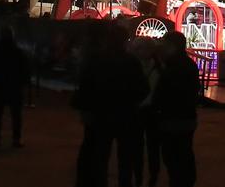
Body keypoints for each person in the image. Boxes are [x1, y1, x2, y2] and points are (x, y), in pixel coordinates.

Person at [73, 24, 149, 187]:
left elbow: (85, 87)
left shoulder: (96, 60)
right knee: (125, 158)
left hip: (101, 115)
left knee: (100, 155)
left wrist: (87, 109)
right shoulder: (131, 62)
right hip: (126, 115)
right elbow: (143, 88)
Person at [154, 32, 200, 187]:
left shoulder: (172, 66)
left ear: (172, 47)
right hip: (187, 116)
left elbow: (164, 92)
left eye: (165, 45)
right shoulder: (189, 64)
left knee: (173, 155)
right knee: (184, 152)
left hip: (173, 117)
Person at [0, 26, 30, 148]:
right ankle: (16, 138)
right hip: (15, 87)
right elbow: (25, 69)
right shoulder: (18, 52)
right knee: (16, 114)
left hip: (0, 85)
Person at [127, 37, 163, 187]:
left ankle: (146, 176)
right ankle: (145, 176)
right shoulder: (159, 67)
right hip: (148, 111)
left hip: (142, 111)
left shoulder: (132, 67)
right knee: (145, 146)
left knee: (146, 146)